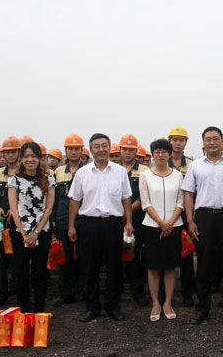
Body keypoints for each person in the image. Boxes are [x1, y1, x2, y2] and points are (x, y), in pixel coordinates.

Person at [182, 126, 223, 326]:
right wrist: (190, 220)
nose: (212, 142)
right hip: (204, 217)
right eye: (208, 139)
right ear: (203, 143)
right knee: (203, 264)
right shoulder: (195, 166)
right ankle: (202, 308)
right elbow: (188, 194)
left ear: (222, 141)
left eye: (215, 138)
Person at [68, 133, 133, 323]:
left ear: (110, 148)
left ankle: (113, 306)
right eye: (96, 146)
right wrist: (71, 225)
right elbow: (74, 200)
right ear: (90, 150)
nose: (101, 149)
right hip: (89, 224)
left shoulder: (120, 172)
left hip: (113, 224)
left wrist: (129, 222)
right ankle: (92, 307)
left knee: (115, 267)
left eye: (104, 145)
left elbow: (126, 199)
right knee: (89, 267)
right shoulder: (82, 173)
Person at [139, 138, 184, 321]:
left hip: (174, 226)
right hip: (152, 226)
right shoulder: (145, 175)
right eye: (157, 152)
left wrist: (170, 223)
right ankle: (155, 303)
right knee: (153, 267)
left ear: (169, 154)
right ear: (152, 154)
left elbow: (180, 201)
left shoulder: (177, 175)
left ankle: (167, 302)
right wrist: (161, 223)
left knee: (170, 266)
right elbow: (145, 202)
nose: (160, 155)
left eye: (164, 151)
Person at [7, 142, 55, 313]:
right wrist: (25, 235)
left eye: (33, 156)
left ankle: (39, 309)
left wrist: (35, 233)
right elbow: (14, 209)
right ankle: (23, 309)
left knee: (40, 272)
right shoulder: (14, 180)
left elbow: (49, 208)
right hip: (20, 232)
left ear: (40, 158)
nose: (30, 160)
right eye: (26, 156)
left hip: (42, 231)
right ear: (21, 158)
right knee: (21, 273)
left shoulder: (48, 179)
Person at [50, 134, 85, 306]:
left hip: (84, 220)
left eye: (76, 148)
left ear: (81, 150)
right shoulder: (57, 173)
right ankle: (66, 292)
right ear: (66, 150)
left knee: (85, 257)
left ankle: (85, 290)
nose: (73, 151)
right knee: (65, 258)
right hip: (63, 220)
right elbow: (53, 199)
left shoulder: (88, 171)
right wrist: (53, 218)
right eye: (70, 148)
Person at [0, 136, 22, 306]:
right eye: (7, 152)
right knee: (0, 258)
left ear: (19, 153)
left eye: (13, 151)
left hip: (19, 223)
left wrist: (15, 210)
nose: (10, 155)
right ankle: (0, 292)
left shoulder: (25, 173)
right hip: (1, 223)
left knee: (18, 258)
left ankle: (18, 290)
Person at [119, 134, 150, 307]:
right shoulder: (114, 169)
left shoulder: (144, 170)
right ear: (120, 150)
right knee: (116, 255)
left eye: (131, 150)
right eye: (125, 149)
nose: (127, 153)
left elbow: (143, 196)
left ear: (136, 151)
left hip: (138, 219)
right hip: (116, 218)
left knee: (136, 256)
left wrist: (128, 211)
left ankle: (138, 291)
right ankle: (117, 290)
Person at [168, 125, 196, 307]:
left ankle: (188, 293)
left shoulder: (192, 164)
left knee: (187, 255)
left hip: (186, 216)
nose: (177, 143)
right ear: (169, 141)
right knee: (166, 255)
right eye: (175, 140)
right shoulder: (161, 163)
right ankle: (165, 293)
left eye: (181, 140)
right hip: (166, 216)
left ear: (186, 142)